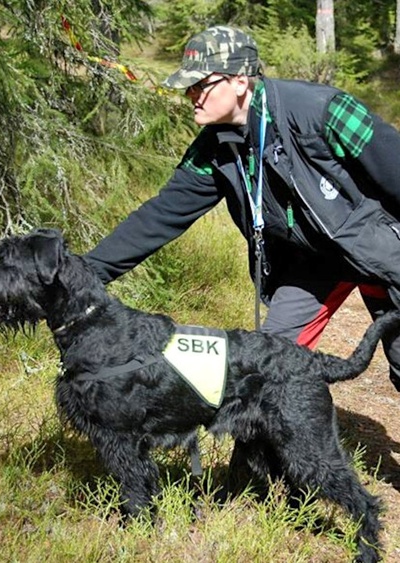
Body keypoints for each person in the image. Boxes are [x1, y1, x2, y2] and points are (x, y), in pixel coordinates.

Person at [82, 25, 400, 390]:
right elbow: (159, 217)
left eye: (202, 84)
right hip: (313, 264)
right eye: (189, 87)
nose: (192, 96)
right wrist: (80, 276)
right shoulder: (216, 148)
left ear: (239, 80)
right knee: (267, 371)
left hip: (381, 249)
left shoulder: (322, 111)